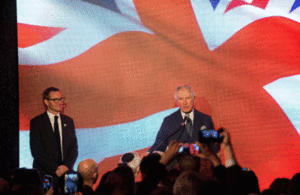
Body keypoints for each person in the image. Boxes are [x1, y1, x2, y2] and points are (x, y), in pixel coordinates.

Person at [30, 87, 78, 194]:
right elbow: (36, 152)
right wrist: (55, 169)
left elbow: (74, 149)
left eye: (61, 99)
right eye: (55, 100)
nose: (60, 102)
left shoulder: (69, 121)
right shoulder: (37, 122)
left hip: (68, 172)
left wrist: (66, 166)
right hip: (46, 173)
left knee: (73, 192)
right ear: (46, 102)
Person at [149, 85, 214, 153]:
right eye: (181, 99)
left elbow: (213, 146)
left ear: (193, 98)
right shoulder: (168, 121)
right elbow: (159, 145)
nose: (185, 103)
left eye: (188, 98)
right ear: (177, 101)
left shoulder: (206, 119)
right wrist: (148, 154)